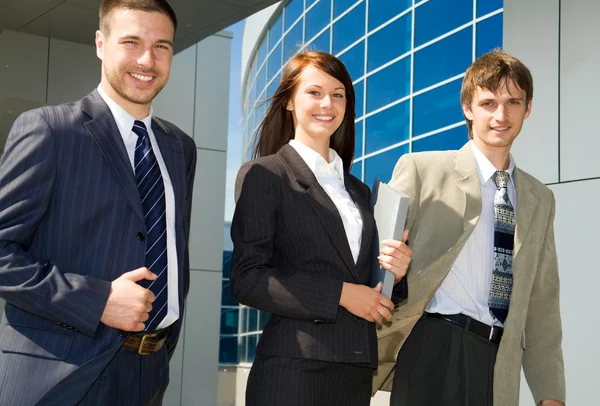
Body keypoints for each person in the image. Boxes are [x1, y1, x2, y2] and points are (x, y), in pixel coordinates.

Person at [0, 0, 196, 404]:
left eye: (162, 46)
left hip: (147, 375)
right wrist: (96, 300)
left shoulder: (180, 147)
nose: (147, 59)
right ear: (100, 43)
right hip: (60, 376)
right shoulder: (50, 131)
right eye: (131, 42)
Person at [373, 49, 565, 406]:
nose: (501, 115)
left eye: (513, 102)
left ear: (528, 109)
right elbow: (375, 267)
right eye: (488, 103)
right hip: (432, 348)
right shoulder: (421, 170)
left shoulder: (540, 199)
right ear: (468, 108)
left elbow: (542, 304)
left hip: (499, 360)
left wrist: (550, 393)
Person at [230, 50, 413, 406]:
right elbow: (247, 279)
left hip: (356, 373)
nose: (327, 103)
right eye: (314, 92)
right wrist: (341, 294)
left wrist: (398, 273)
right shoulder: (265, 175)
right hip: (294, 372)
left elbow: (374, 290)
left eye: (338, 94)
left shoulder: (360, 191)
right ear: (288, 102)